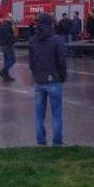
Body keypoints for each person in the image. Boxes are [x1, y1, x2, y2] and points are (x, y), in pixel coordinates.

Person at [29, 13, 67, 146]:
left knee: (39, 114)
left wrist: (36, 74)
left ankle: (41, 140)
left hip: (39, 81)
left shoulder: (34, 39)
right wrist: (62, 76)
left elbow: (32, 62)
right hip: (54, 80)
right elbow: (61, 60)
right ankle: (57, 142)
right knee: (56, 113)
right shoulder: (57, 39)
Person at [0, 15, 16, 82]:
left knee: (6, 60)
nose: (12, 19)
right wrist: (14, 40)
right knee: (12, 60)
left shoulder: (1, 27)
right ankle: (3, 71)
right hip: (8, 46)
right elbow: (10, 37)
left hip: (3, 46)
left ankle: (6, 76)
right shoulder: (9, 27)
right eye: (10, 18)